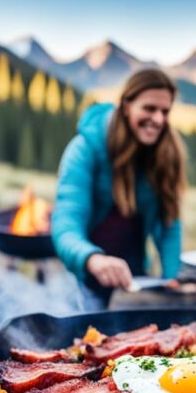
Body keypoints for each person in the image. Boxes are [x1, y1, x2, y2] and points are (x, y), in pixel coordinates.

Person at [52, 69, 186, 309]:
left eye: (165, 112)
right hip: (86, 278)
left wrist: (170, 278)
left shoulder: (166, 154)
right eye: (149, 108)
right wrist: (93, 259)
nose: (158, 120)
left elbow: (169, 225)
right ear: (126, 105)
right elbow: (65, 225)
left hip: (135, 279)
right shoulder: (85, 149)